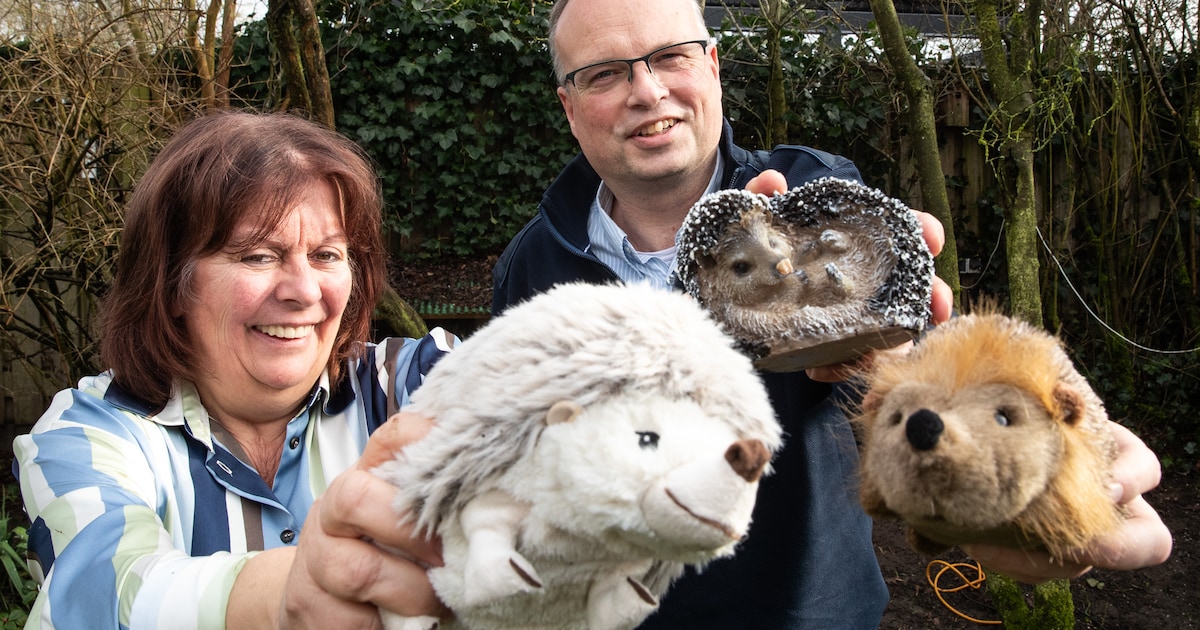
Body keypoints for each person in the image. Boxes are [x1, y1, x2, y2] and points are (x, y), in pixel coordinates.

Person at [490, 0, 1173, 627]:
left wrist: (1022, 470)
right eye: (606, 73)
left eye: (671, 57)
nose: (648, 91)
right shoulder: (531, 266)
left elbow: (916, 368)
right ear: (570, 104)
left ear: (712, 65)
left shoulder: (820, 202)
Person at [13, 111, 452, 629]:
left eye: (327, 254)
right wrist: (295, 590)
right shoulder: (88, 434)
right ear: (172, 284)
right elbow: (103, 590)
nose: (305, 291)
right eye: (259, 257)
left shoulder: (407, 384)